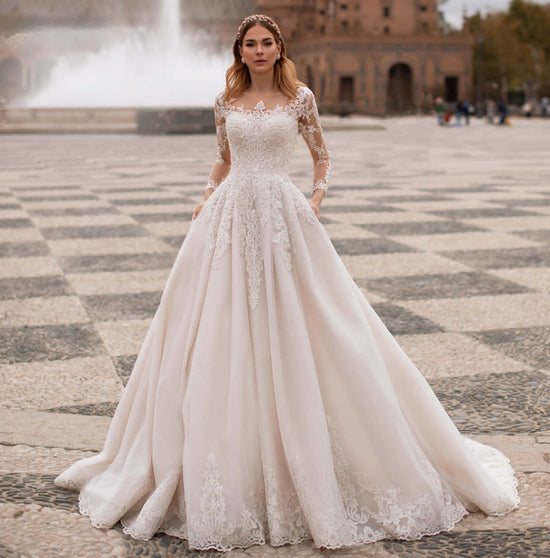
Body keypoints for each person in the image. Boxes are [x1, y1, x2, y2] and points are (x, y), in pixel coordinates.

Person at [55, 14, 519, 552]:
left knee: (315, 322)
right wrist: (206, 195)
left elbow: (322, 158)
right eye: (249, 44)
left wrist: (316, 200)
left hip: (283, 215)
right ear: (239, 51)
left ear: (279, 48)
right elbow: (223, 158)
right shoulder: (224, 100)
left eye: (266, 43)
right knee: (214, 324)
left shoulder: (300, 97)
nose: (258, 51)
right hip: (228, 219)